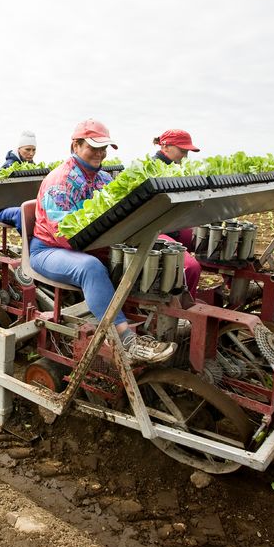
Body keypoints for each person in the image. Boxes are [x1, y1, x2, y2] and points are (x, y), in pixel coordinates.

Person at [29, 119, 176, 365]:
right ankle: (125, 339)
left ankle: (150, 318)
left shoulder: (102, 179)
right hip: (48, 250)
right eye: (93, 147)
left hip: (88, 246)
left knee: (141, 253)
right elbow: (64, 235)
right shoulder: (60, 182)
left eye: (103, 148)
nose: (100, 153)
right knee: (91, 268)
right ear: (75, 145)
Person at [152, 129, 202, 296]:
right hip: (154, 230)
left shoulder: (174, 169)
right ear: (165, 147)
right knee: (191, 267)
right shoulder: (151, 170)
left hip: (172, 225)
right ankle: (181, 310)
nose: (185, 156)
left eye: (187, 152)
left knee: (206, 240)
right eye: (182, 151)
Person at [0, 130, 37, 231]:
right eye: (28, 149)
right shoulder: (7, 167)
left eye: (34, 150)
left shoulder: (32, 167)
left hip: (21, 205)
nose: (31, 153)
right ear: (19, 149)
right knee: (21, 213)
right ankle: (29, 245)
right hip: (2, 209)